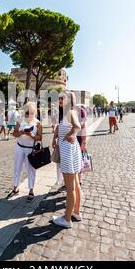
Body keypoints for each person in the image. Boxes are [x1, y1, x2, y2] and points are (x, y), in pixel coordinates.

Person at [51, 90, 83, 229]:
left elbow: (78, 127)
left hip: (68, 151)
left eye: (62, 97)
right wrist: (57, 136)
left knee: (70, 188)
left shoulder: (69, 112)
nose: (59, 99)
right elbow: (65, 126)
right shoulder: (68, 112)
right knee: (75, 185)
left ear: (69, 99)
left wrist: (68, 135)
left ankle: (67, 218)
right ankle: (76, 212)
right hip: (71, 150)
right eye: (59, 97)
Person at [8, 102, 43, 201]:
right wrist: (19, 132)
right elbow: (14, 134)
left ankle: (31, 189)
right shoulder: (19, 121)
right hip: (19, 147)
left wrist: (31, 135)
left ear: (34, 112)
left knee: (31, 169)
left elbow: (40, 137)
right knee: (17, 168)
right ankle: (15, 187)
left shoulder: (37, 123)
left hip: (31, 149)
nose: (28, 115)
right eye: (26, 112)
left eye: (31, 112)